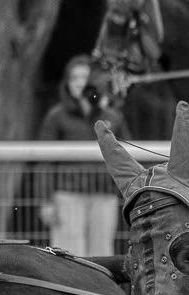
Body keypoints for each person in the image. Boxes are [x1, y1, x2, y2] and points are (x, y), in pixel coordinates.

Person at [37, 55, 130, 256]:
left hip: (104, 196)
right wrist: (45, 201)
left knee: (102, 256)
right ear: (67, 84)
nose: (80, 82)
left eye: (85, 77)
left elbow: (125, 159)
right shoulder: (56, 116)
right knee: (68, 257)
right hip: (67, 196)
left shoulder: (113, 117)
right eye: (74, 77)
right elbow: (44, 162)